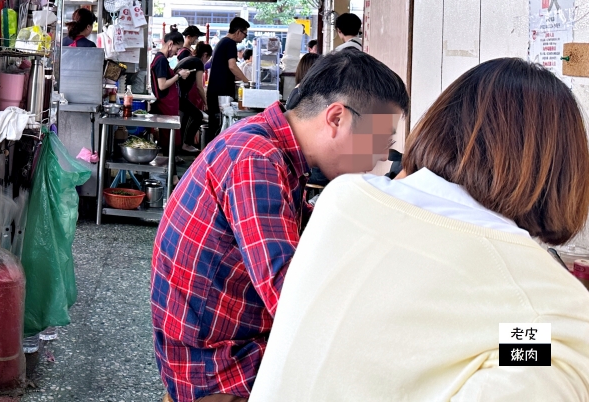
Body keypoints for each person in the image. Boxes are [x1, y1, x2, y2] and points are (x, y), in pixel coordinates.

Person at [250, 58, 589, 401]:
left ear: (441, 126)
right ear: (559, 171)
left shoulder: (342, 200)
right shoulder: (548, 303)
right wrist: (529, 335)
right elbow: (529, 341)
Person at [152, 50, 409, 402]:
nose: (381, 157)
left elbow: (297, 227)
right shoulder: (255, 158)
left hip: (228, 340)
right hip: (216, 367)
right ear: (337, 118)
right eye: (382, 141)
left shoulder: (272, 146)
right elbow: (288, 298)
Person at [205, 17, 251, 139]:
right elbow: (232, 66)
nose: (243, 39)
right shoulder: (230, 44)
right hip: (221, 94)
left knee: (214, 126)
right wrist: (247, 82)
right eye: (244, 35)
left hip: (215, 91)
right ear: (238, 32)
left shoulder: (222, 42)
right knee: (219, 129)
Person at [178, 42, 213, 153]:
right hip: (179, 95)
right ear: (205, 55)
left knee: (186, 118)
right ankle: (187, 144)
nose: (207, 61)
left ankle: (181, 147)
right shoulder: (198, 63)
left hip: (176, 95)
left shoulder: (189, 59)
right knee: (198, 115)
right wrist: (206, 102)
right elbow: (199, 86)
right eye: (208, 58)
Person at [151, 31, 192, 117]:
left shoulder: (161, 59)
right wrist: (179, 75)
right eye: (177, 49)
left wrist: (175, 73)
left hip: (169, 105)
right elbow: (162, 85)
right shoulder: (161, 60)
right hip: (165, 106)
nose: (177, 53)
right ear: (170, 44)